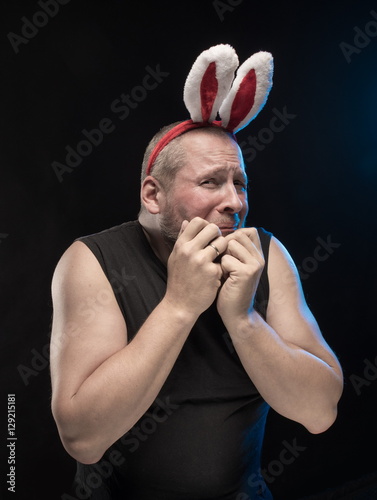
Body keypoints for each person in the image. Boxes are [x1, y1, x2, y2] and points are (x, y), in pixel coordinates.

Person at [50, 121, 343, 500]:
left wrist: (244, 320)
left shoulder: (266, 255)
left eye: (239, 183)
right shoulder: (93, 261)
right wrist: (178, 307)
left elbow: (320, 413)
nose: (235, 203)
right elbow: (82, 440)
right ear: (154, 195)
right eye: (210, 182)